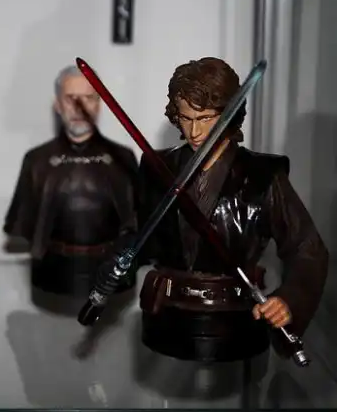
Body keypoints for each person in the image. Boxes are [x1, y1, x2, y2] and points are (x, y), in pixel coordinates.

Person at [100, 57, 328, 364]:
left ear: (228, 116)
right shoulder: (158, 167)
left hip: (236, 321)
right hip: (165, 319)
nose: (194, 131)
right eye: (185, 118)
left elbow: (307, 248)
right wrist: (117, 262)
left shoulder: (262, 175)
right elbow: (136, 233)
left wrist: (289, 299)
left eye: (205, 118)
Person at [4, 65, 139, 298]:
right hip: (51, 275)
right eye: (70, 98)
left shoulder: (123, 159)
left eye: (88, 98)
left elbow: (139, 223)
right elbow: (21, 224)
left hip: (112, 275)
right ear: (57, 104)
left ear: (99, 104)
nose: (79, 107)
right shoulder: (36, 161)